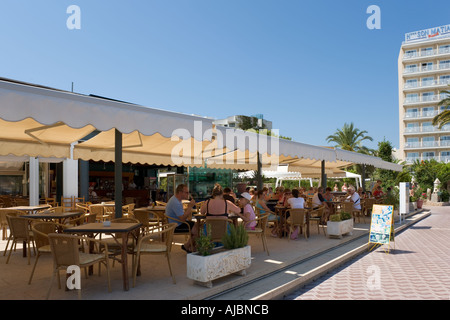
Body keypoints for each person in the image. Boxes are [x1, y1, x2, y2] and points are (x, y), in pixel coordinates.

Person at [165, 184, 197, 253]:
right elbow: (182, 219)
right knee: (197, 229)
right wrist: (190, 207)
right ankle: (190, 246)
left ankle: (189, 246)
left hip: (174, 223)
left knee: (196, 226)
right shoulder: (176, 203)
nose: (188, 194)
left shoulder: (175, 199)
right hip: (176, 226)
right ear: (180, 192)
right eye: (186, 192)